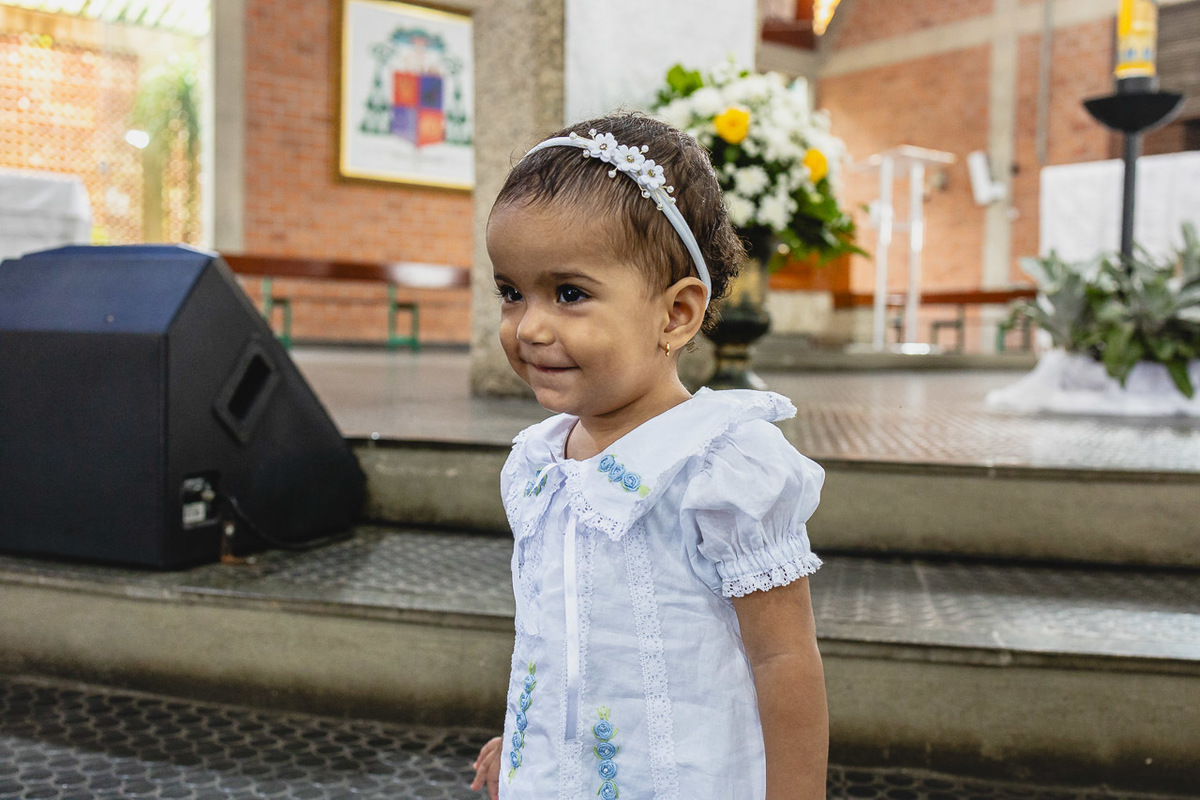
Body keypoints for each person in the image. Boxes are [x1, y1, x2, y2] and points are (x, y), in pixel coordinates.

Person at [470, 114, 828, 800]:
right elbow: (555, 635)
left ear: (676, 315)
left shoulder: (722, 469)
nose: (530, 326)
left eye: (569, 294)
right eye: (511, 292)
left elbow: (785, 659)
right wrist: (526, 736)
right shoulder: (539, 463)